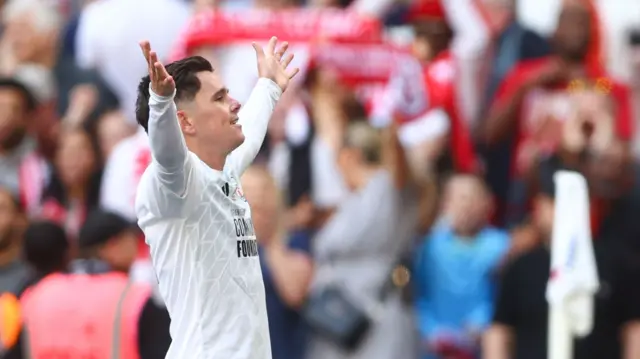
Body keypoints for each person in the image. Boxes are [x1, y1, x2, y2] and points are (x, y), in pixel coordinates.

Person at [134, 37, 298, 359]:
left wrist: (269, 86)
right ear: (185, 121)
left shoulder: (224, 171)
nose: (234, 103)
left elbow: (249, 131)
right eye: (220, 98)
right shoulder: (171, 184)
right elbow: (169, 157)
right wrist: (160, 103)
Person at [6, 209, 172, 359]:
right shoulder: (132, 298)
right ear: (113, 246)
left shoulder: (37, 294)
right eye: (131, 238)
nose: (137, 246)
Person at [241, 166, 314, 359]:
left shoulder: (293, 241)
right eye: (247, 191)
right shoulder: (228, 248)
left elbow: (295, 292)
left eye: (263, 191)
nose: (256, 199)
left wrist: (272, 238)